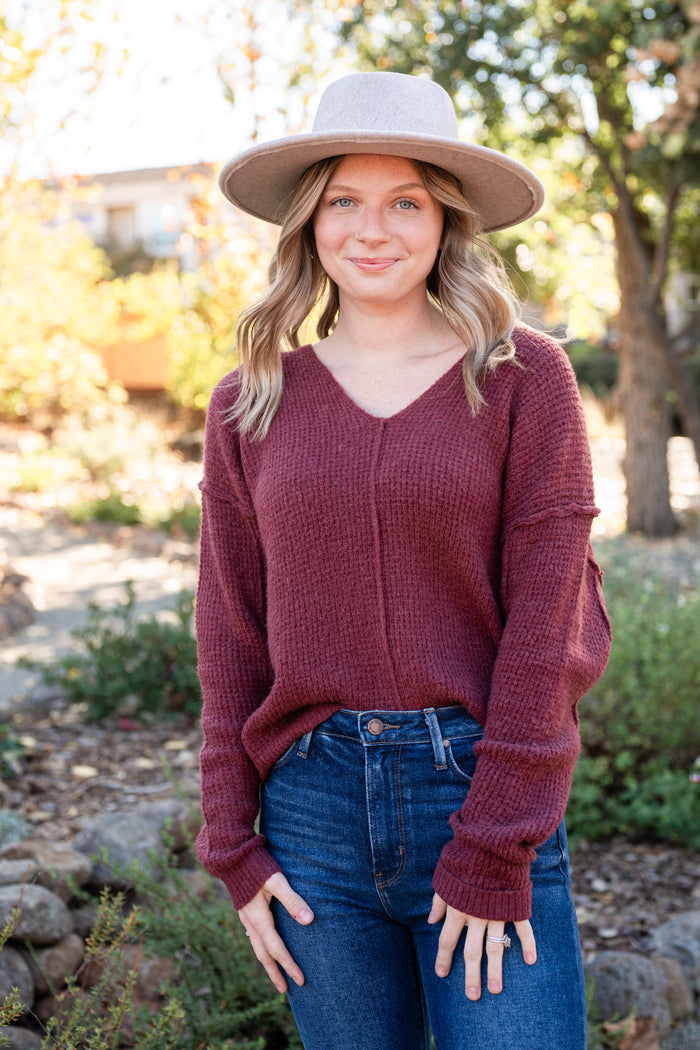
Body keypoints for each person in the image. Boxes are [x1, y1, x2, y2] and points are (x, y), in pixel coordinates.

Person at [195, 71, 612, 1050]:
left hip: (476, 790)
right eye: (343, 200)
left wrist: (495, 840)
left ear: (444, 221)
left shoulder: (522, 380)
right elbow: (228, 629)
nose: (369, 229)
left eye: (403, 202)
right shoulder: (248, 402)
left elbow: (550, 624)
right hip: (311, 820)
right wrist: (231, 847)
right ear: (309, 222)